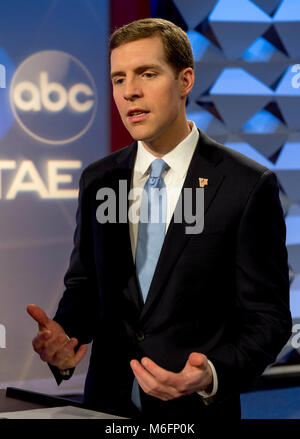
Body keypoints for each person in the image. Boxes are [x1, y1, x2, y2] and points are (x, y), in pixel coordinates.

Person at [27, 18, 292, 420]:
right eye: (118, 79)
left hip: (196, 414)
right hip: (107, 410)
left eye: (147, 74)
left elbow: (268, 320)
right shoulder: (99, 180)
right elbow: (85, 289)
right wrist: (65, 338)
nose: (130, 91)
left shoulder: (247, 185)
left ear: (185, 81)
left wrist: (210, 375)